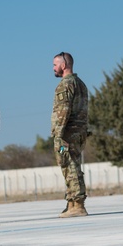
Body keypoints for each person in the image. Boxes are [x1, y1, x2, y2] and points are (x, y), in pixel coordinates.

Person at [51, 52, 89, 218]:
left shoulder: (66, 84)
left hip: (67, 133)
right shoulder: (80, 83)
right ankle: (72, 203)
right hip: (79, 132)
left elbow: (63, 111)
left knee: (68, 165)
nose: (53, 68)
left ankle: (77, 204)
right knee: (73, 165)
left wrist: (58, 135)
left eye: (55, 65)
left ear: (63, 65)